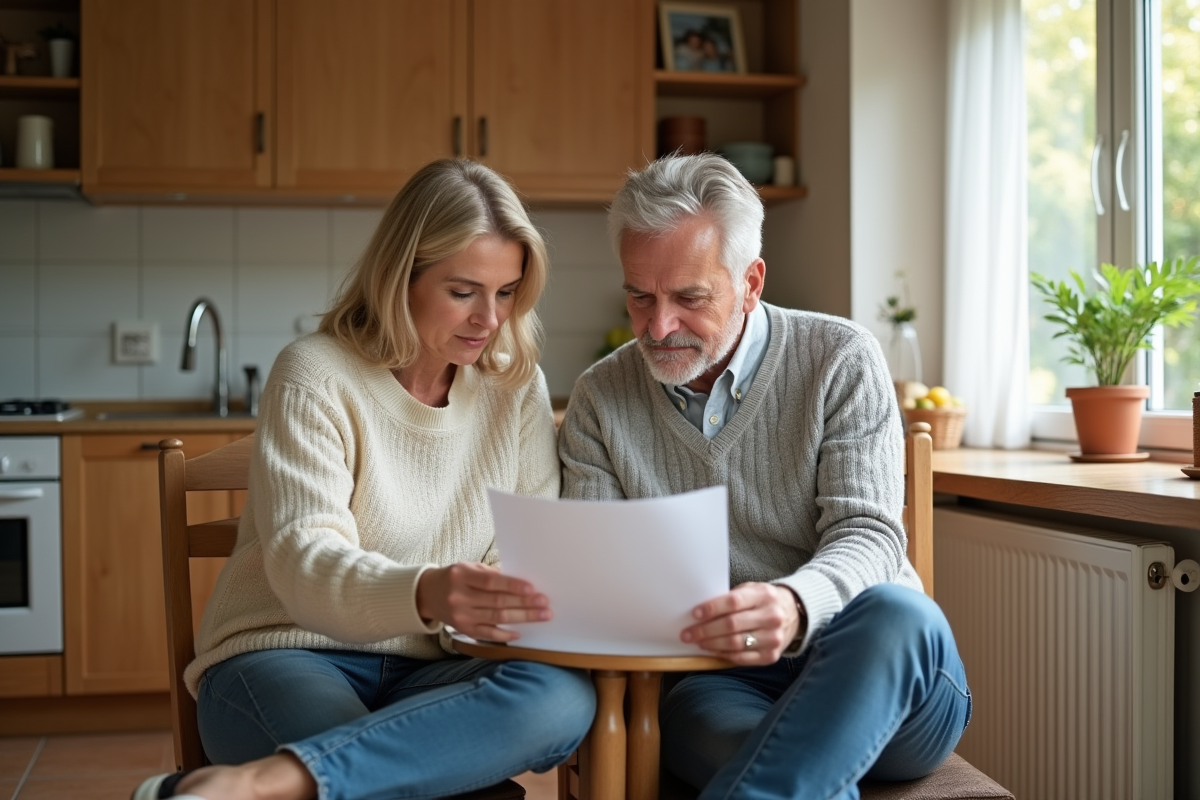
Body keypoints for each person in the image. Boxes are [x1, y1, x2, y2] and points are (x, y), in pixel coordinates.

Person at [133, 159, 595, 800]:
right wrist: (429, 591)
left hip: (439, 668)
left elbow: (526, 549)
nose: (489, 318)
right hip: (286, 655)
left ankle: (262, 784)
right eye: (463, 291)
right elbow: (305, 565)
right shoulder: (314, 374)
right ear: (400, 277)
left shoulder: (514, 387)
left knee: (561, 699)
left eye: (508, 292)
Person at [558, 153, 971, 799]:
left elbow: (869, 533)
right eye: (639, 295)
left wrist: (794, 603)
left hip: (880, 668)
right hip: (721, 685)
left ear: (750, 282)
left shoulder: (839, 359)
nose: (658, 325)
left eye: (689, 298)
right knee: (756, 750)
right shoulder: (599, 398)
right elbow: (604, 580)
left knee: (897, 611)